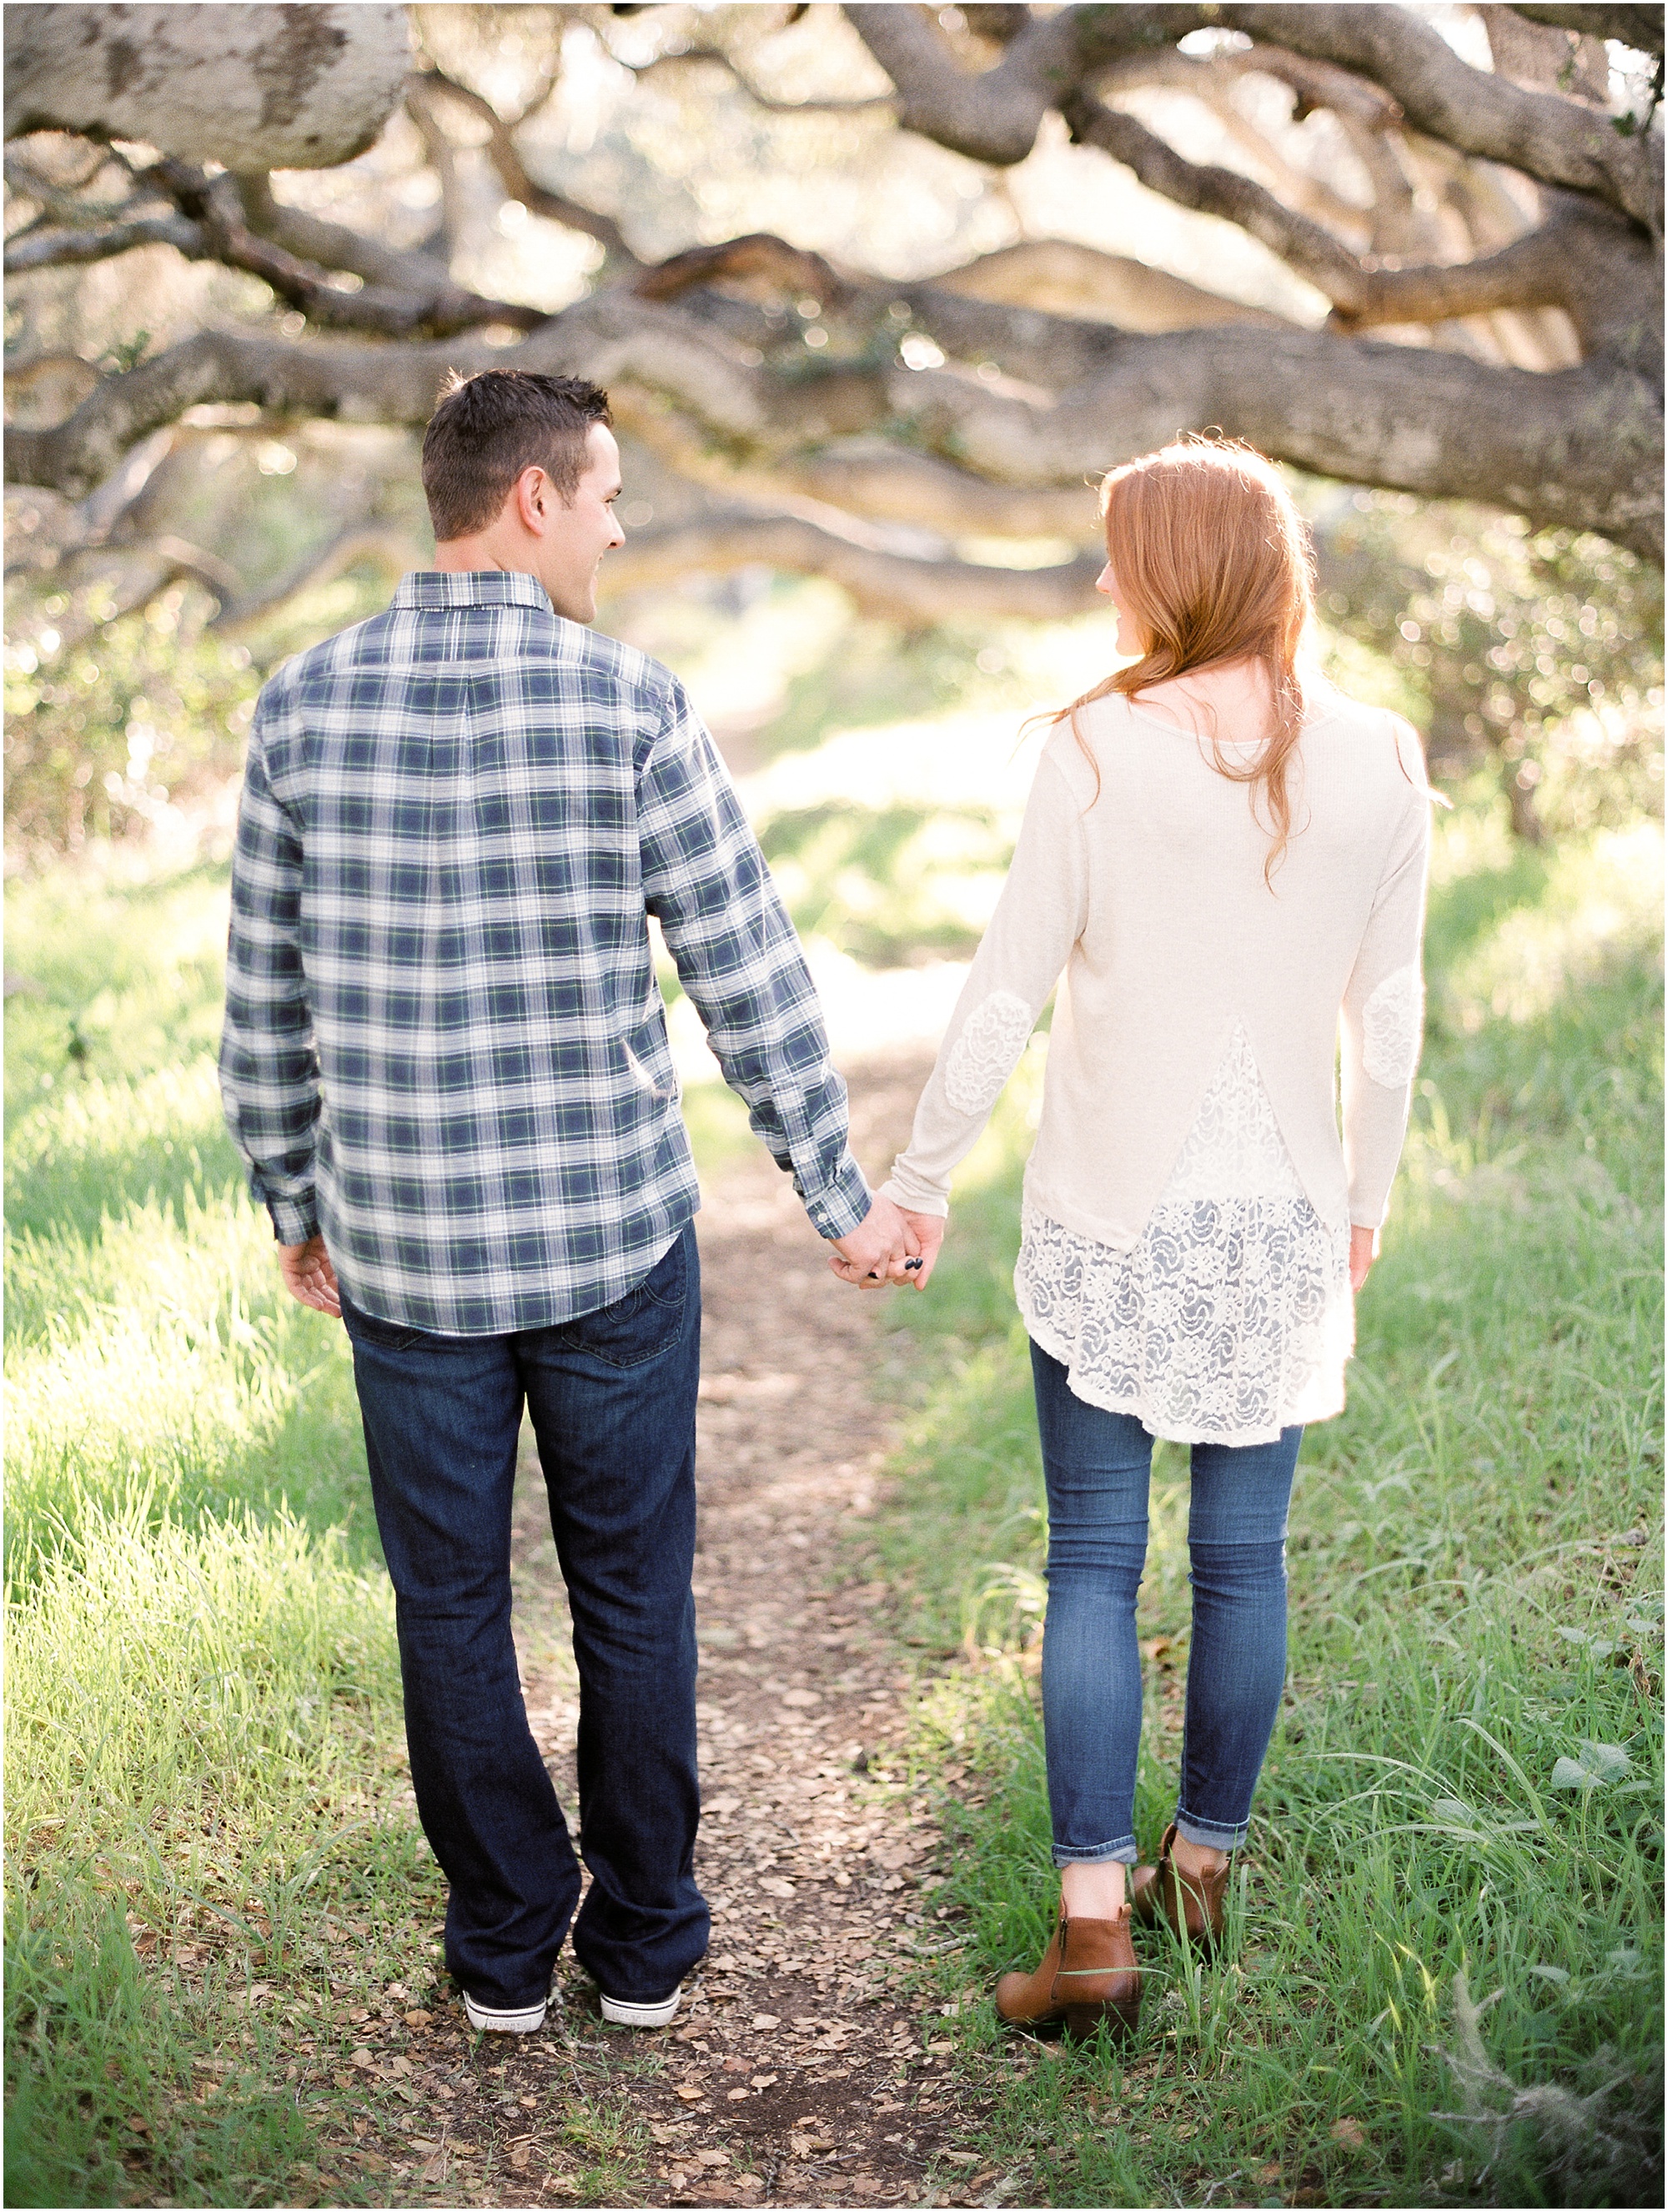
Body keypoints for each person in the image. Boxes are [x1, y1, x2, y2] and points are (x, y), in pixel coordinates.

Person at [219, 368, 914, 2037]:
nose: (615, 526)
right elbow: (744, 970)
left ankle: (503, 1941)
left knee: (448, 1600)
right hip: (611, 1244)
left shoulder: (302, 710)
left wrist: (293, 1198)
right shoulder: (629, 705)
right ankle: (649, 1940)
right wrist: (833, 1186)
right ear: (530, 498)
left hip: (402, 1255)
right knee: (631, 1591)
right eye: (604, 496)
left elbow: (262, 1009)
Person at [843, 437, 1433, 2040]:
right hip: (1285, 1219)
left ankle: (1092, 1924)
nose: (1106, 586)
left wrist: (919, 1174)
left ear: (1175, 569)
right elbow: (1389, 1022)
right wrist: (1364, 1200)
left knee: (1097, 1562)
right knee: (1246, 1560)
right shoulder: (1384, 758)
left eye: (1120, 556)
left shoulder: (1097, 748)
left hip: (1116, 1212)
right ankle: (1206, 1866)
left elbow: (1006, 987)